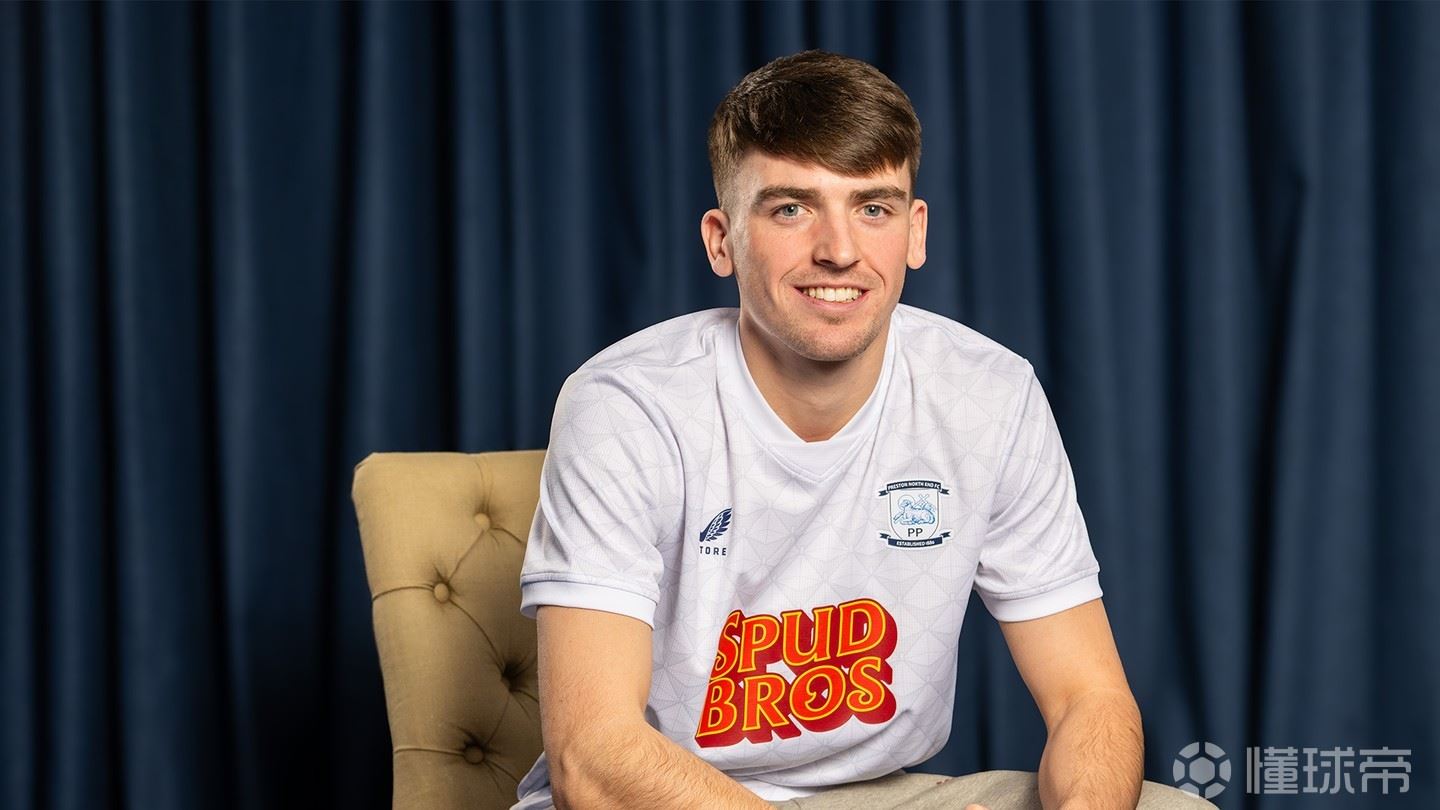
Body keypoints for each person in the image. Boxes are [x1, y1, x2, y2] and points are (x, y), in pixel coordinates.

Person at [514, 51, 1205, 810]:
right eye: (791, 209)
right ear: (721, 240)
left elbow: (1088, 697)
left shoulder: (990, 395)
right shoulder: (627, 404)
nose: (839, 250)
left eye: (873, 208)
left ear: (915, 232)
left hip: (876, 793)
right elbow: (593, 755)